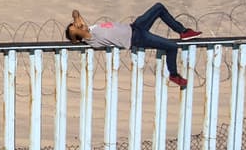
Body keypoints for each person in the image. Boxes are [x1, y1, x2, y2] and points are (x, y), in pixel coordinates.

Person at [65, 5, 201, 88]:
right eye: (75, 28)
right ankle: (174, 75)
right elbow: (75, 34)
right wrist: (74, 29)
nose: (78, 25)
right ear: (77, 35)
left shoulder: (91, 29)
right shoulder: (91, 39)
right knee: (172, 46)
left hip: (136, 27)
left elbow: (76, 13)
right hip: (136, 38)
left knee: (159, 8)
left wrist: (75, 19)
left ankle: (183, 31)